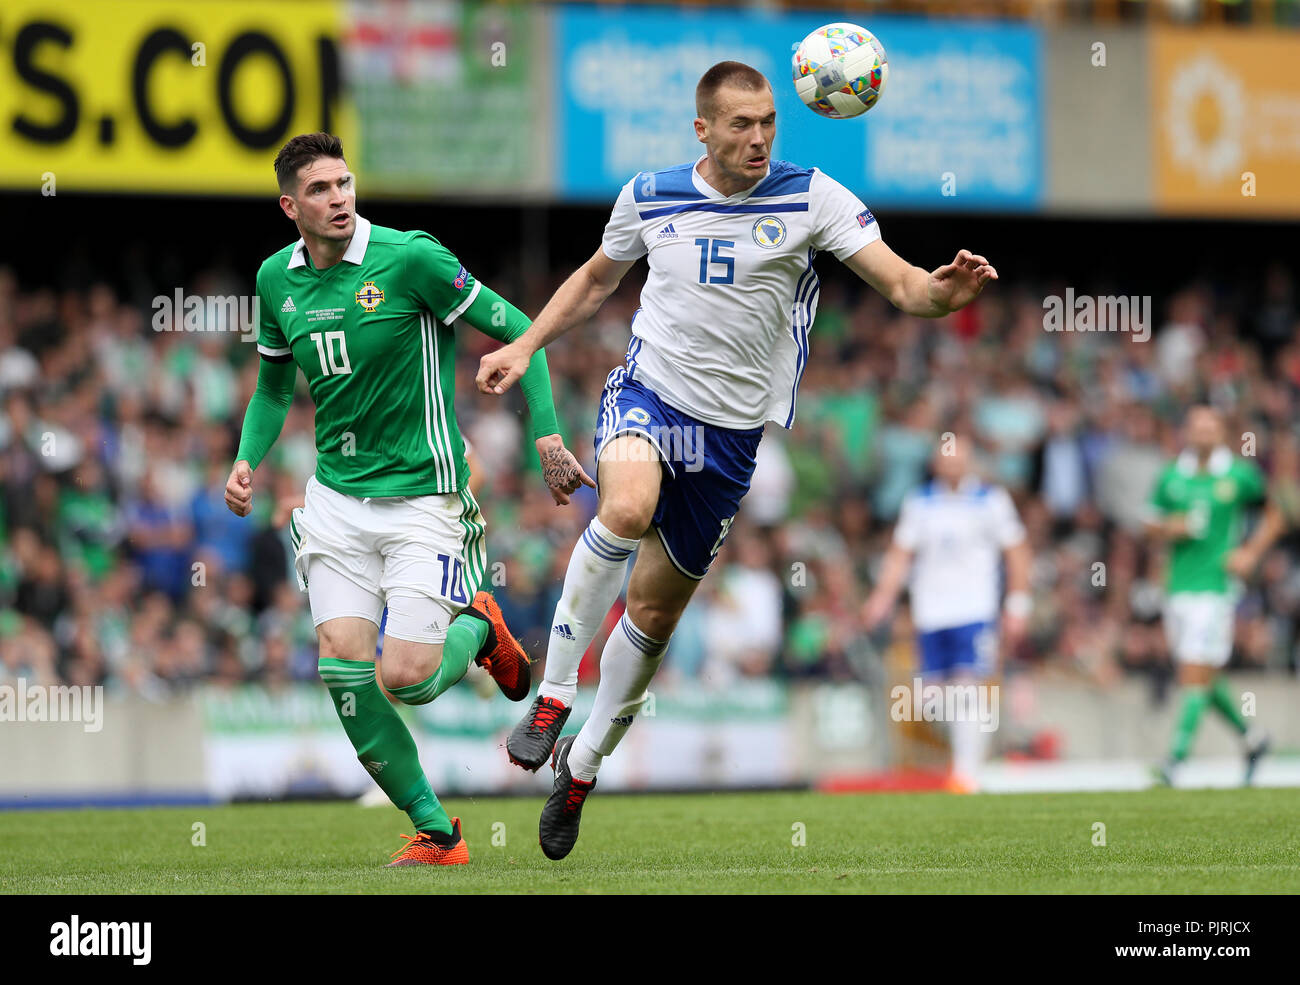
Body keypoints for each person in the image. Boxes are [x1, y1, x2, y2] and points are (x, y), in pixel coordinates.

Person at [476, 62, 998, 860]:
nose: (758, 139)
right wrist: (525, 343)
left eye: (768, 124)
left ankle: (580, 771)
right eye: (741, 125)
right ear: (703, 130)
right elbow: (593, 281)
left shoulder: (811, 196)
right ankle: (552, 694)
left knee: (652, 619)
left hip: (729, 440)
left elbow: (902, 285)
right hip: (649, 396)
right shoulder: (650, 194)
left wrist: (944, 292)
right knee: (621, 508)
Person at [225, 132, 591, 866]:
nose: (339, 198)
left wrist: (546, 438)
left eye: (345, 183)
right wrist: (246, 459)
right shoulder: (275, 279)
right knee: (343, 668)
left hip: (424, 498)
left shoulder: (411, 258)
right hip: (334, 499)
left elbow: (522, 330)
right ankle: (438, 831)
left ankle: (479, 630)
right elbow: (272, 384)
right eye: (321, 189)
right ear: (290, 205)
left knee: (409, 678)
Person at [861, 439, 1030, 792]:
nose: (952, 466)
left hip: (974, 610)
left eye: (958, 459)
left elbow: (1016, 552)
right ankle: (968, 759)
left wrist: (1017, 604)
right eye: (945, 459)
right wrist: (882, 597)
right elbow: (900, 554)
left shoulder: (990, 501)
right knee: (930, 699)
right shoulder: (920, 503)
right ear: (936, 464)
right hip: (931, 613)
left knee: (968, 687)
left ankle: (966, 774)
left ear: (969, 462)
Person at [1144, 406, 1271, 786]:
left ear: (1222, 433)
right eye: (1197, 427)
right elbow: (1149, 526)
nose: (1203, 434)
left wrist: (1251, 552)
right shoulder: (1171, 476)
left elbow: (1278, 510)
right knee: (1201, 673)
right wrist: (1171, 527)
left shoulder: (1238, 474)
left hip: (1216, 588)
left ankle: (1175, 760)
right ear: (1187, 432)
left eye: (1211, 427)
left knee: (1193, 672)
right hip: (1177, 587)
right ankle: (1252, 738)